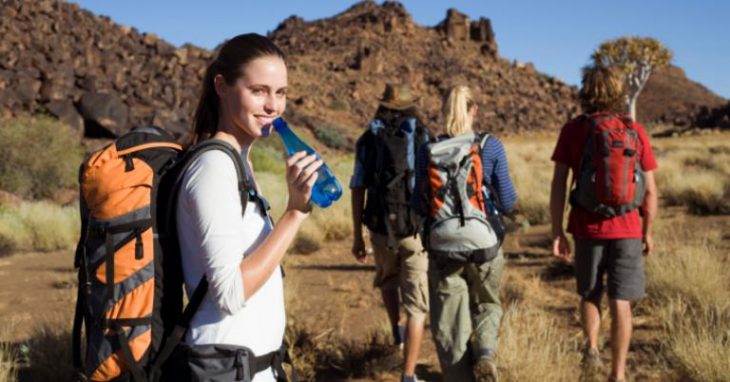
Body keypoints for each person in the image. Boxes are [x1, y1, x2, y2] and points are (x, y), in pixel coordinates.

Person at [175, 33, 320, 381]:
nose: (273, 106)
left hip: (248, 367)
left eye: (280, 92)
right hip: (225, 368)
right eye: (259, 91)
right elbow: (230, 292)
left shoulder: (238, 163)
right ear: (222, 86)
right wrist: (295, 213)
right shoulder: (214, 168)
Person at [549, 66, 658, 382]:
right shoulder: (635, 131)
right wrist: (647, 230)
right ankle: (618, 374)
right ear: (618, 92)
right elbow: (650, 190)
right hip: (628, 228)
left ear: (586, 91)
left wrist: (557, 230)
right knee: (621, 302)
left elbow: (559, 183)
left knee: (590, 294)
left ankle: (592, 348)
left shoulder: (574, 130)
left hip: (587, 227)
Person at [414, 85, 517, 382]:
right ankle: (485, 353)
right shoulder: (491, 145)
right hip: (486, 245)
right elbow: (508, 200)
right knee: (486, 303)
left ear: (444, 111)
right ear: (474, 110)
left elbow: (418, 204)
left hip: (443, 248)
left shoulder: (427, 150)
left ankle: (459, 377)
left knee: (449, 324)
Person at [350, 84, 431, 382]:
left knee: (387, 280)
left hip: (380, 228)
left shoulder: (367, 140)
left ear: (383, 106)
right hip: (415, 231)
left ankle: (396, 331)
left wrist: (357, 235)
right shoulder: (423, 136)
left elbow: (358, 187)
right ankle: (408, 375)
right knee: (417, 305)